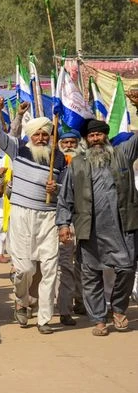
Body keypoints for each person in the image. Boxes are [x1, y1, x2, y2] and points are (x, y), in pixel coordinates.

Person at [0, 97, 65, 334]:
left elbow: (67, 191)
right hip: (21, 216)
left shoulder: (58, 159)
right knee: (24, 270)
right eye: (37, 134)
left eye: (45, 134)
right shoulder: (17, 149)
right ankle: (22, 301)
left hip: (48, 218)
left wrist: (57, 189)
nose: (41, 138)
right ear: (30, 135)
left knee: (51, 269)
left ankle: (44, 319)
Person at [56, 119, 138, 336]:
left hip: (123, 227)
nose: (95, 140)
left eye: (99, 135)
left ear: (106, 136)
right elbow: (66, 197)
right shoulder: (77, 163)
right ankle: (99, 319)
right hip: (89, 228)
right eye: (91, 136)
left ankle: (119, 309)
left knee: (127, 269)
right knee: (91, 274)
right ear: (86, 140)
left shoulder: (122, 154)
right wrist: (63, 223)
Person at [55, 128, 84, 325]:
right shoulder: (54, 164)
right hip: (63, 220)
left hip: (84, 220)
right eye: (65, 143)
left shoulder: (86, 163)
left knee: (84, 264)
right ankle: (64, 309)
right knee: (65, 265)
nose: (69, 146)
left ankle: (81, 300)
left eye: (72, 142)